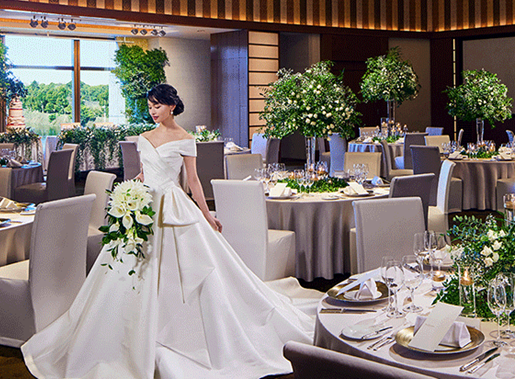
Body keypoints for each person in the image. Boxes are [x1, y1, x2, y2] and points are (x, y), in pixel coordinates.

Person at [22, 84, 314, 378]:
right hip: (144, 207)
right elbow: (142, 173)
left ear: (172, 106)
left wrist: (208, 216)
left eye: (157, 107)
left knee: (193, 268)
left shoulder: (186, 139)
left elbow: (194, 182)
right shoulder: (144, 138)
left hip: (174, 207)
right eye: (150, 107)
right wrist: (129, 192)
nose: (153, 112)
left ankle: (181, 334)